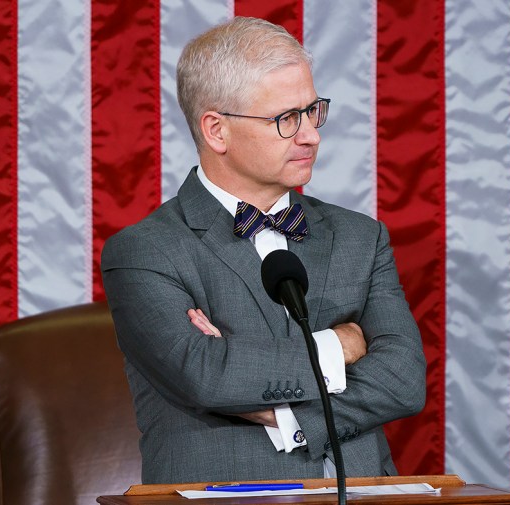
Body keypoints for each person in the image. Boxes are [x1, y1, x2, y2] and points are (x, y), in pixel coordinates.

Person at [101, 16, 425, 485]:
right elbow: (205, 376)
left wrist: (285, 415)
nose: (311, 134)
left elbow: (403, 381)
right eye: (286, 119)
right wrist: (341, 344)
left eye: (313, 111)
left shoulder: (360, 237)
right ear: (216, 130)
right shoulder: (143, 251)